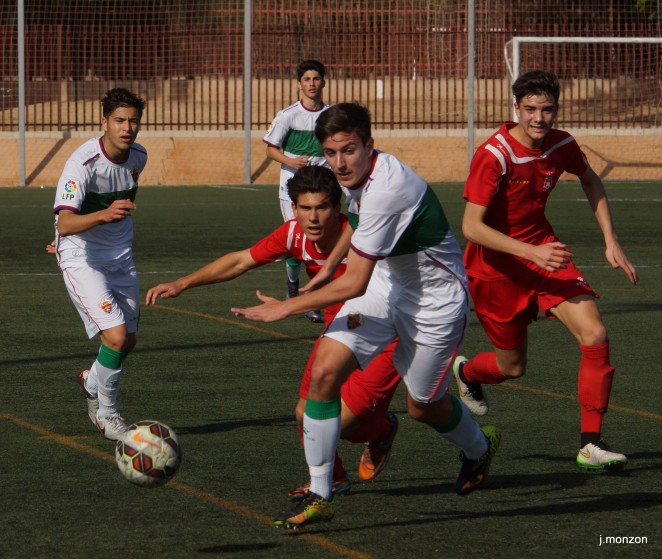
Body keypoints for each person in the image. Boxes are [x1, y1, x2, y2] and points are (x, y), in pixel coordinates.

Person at [232, 102, 501, 530]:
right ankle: (322, 492)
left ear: (369, 145)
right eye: (332, 151)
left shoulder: (387, 187)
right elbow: (358, 232)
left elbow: (354, 281)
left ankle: (477, 446)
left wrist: (286, 305)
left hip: (435, 304)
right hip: (386, 288)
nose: (340, 162)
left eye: (350, 150)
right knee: (324, 373)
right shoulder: (356, 179)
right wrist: (318, 284)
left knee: (423, 406)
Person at [145, 165, 401, 498]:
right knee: (303, 412)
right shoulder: (293, 233)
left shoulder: (362, 234)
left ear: (337, 208)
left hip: (383, 329)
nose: (312, 217)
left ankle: (382, 429)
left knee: (348, 422)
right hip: (340, 329)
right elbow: (240, 261)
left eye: (321, 207)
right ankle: (334, 477)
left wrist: (286, 306)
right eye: (304, 208)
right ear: (293, 208)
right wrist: (182, 282)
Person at [454, 70, 638, 473]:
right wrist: (528, 252)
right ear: (515, 109)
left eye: (547, 109)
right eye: (531, 109)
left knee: (595, 334)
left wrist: (611, 240)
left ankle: (591, 443)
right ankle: (467, 372)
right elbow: (471, 227)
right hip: (495, 270)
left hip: (547, 256)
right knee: (511, 367)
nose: (539, 118)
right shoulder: (494, 154)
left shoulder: (562, 144)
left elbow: (591, 181)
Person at [52, 87, 148, 442]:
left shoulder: (139, 156)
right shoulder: (82, 163)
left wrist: (109, 218)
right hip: (83, 257)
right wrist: (104, 214)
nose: (127, 128)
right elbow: (65, 223)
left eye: (133, 121)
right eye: (119, 121)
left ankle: (92, 380)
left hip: (120, 256)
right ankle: (107, 415)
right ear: (104, 121)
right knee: (116, 335)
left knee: (129, 340)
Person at [263, 59, 330, 323]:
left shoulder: (332, 115)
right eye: (307, 79)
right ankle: (294, 289)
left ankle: (313, 299)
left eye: (316, 78)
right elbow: (270, 148)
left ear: (323, 82)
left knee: (321, 243)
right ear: (299, 83)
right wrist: (291, 162)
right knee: (298, 243)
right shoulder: (288, 115)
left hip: (324, 190)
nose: (312, 84)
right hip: (292, 190)